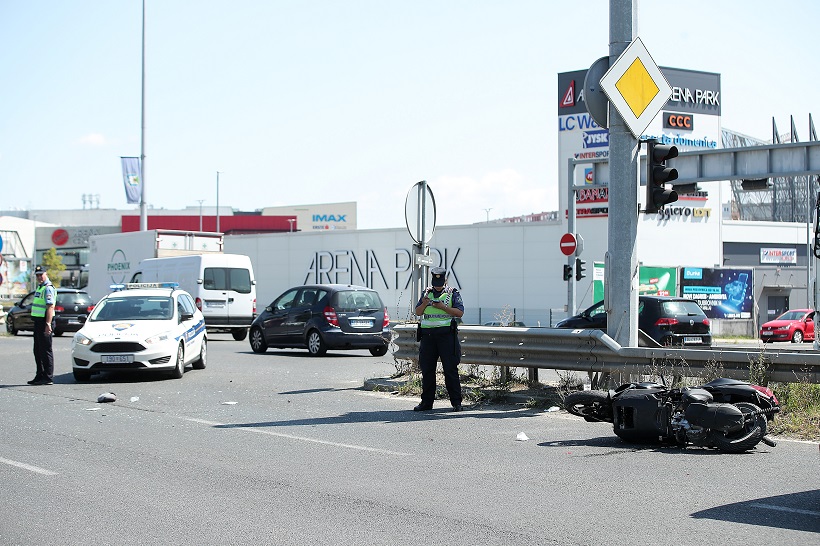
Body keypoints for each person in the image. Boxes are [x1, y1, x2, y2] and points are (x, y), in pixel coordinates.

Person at [413, 266, 465, 411]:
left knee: (450, 369)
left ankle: (456, 403)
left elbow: (460, 312)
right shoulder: (426, 292)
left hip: (446, 336)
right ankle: (426, 403)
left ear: (445, 280)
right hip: (428, 337)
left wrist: (443, 307)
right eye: (435, 283)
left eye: (440, 283)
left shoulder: (452, 293)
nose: (437, 286)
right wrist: (424, 303)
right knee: (427, 370)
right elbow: (418, 312)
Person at [27, 265, 56, 386]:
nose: (39, 277)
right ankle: (40, 375)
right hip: (38, 322)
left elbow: (50, 307)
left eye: (41, 275)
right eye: (37, 275)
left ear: (46, 274)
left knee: (45, 350)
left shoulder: (48, 288)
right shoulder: (40, 287)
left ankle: (48, 377)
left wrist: (48, 324)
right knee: (38, 351)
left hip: (45, 322)